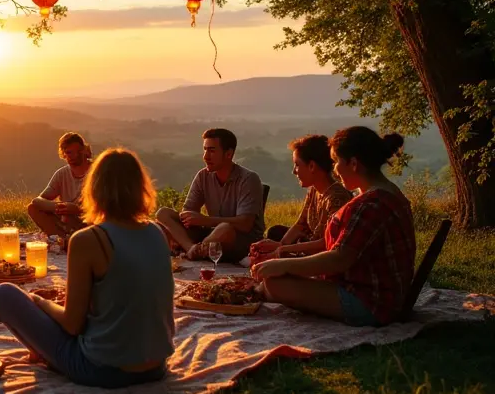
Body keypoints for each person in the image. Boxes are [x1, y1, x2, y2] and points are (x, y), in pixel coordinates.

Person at [0, 148, 174, 388]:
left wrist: (40, 303)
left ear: (94, 188)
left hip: (102, 370)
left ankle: (48, 355)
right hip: (155, 367)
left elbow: (72, 324)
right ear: (141, 187)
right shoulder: (157, 232)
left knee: (4, 294)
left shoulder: (89, 239)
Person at [252, 127, 415, 327]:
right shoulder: (383, 194)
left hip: (372, 301)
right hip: (370, 290)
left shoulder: (372, 204)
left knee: (275, 284)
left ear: (354, 164)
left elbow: (338, 258)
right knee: (277, 279)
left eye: (337, 161)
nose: (335, 169)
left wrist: (283, 264)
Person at [155, 128, 265, 262]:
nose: (206, 156)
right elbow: (188, 211)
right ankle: (192, 249)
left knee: (224, 228)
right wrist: (190, 218)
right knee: (163, 214)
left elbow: (245, 224)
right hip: (211, 234)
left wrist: (205, 220)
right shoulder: (203, 176)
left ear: (228, 154)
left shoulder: (248, 179)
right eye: (205, 149)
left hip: (239, 240)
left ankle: (197, 250)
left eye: (212, 151)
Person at [251, 134, 352, 261]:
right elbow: (300, 225)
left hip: (325, 258)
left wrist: (282, 250)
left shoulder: (337, 198)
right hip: (310, 248)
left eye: (297, 165)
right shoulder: (314, 191)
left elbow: (326, 243)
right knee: (274, 232)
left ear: (312, 166)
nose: (294, 171)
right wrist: (279, 246)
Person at [28, 132, 92, 237]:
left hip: (89, 221)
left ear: (84, 151)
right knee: (33, 208)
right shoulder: (62, 174)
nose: (71, 156)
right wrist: (60, 207)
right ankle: (63, 239)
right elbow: (38, 200)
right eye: (68, 152)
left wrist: (77, 210)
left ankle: (69, 238)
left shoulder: (96, 173)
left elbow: (105, 208)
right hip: (67, 221)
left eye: (77, 152)